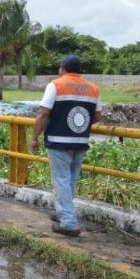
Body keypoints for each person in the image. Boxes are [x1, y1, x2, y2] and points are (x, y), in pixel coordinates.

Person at [31, 55, 101, 237]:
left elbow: (43, 113)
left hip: (58, 140)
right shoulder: (93, 88)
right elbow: (97, 116)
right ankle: (63, 212)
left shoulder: (56, 85)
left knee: (61, 180)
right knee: (69, 180)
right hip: (80, 141)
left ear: (62, 69)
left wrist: (34, 137)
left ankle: (69, 223)